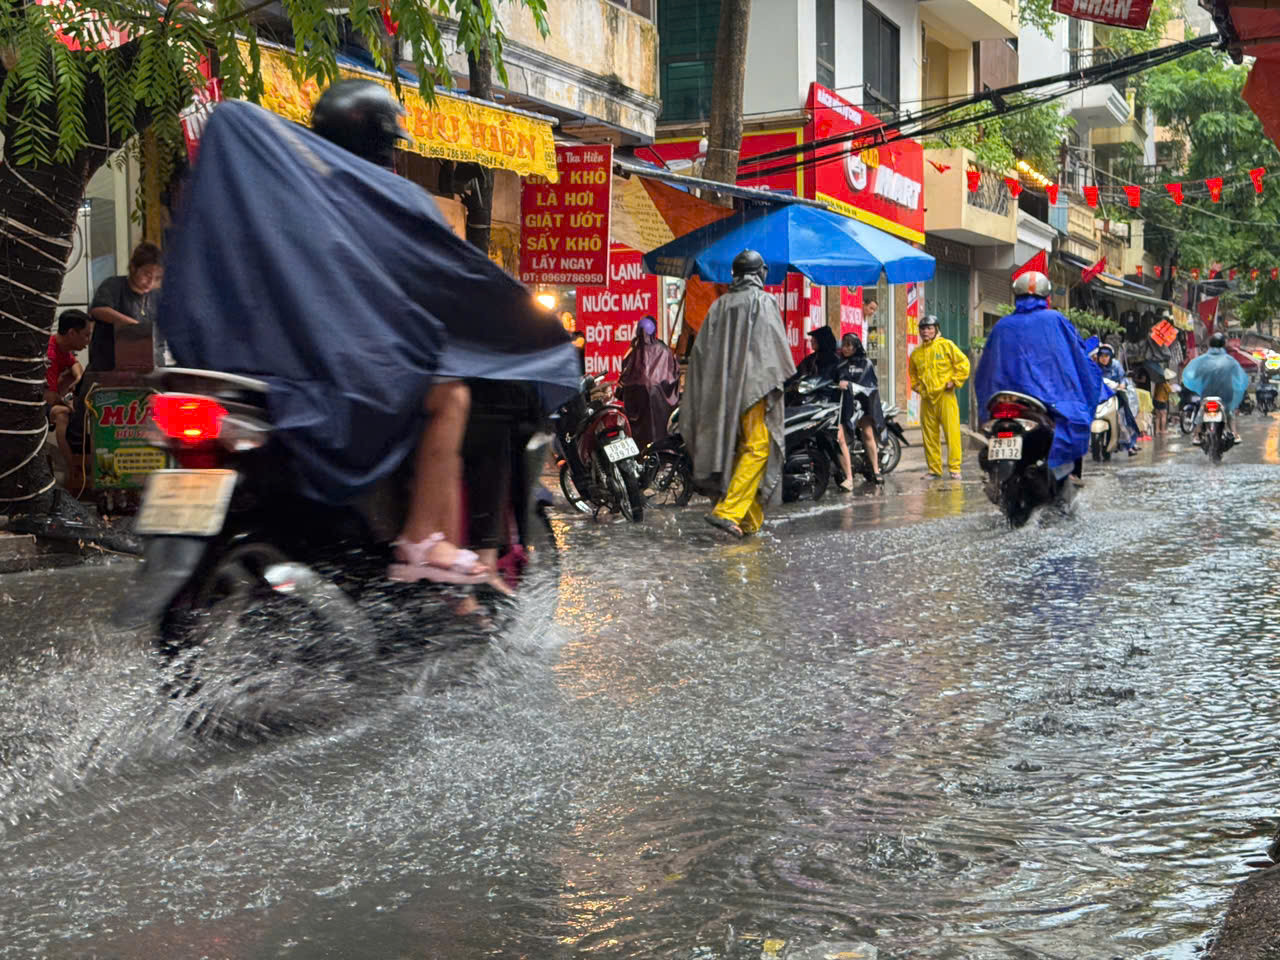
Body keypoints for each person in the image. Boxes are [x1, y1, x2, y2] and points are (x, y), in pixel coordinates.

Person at [156, 81, 580, 589]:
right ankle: (425, 541)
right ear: (385, 144)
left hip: (257, 371)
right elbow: (451, 280)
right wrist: (515, 317)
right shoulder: (395, 200)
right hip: (345, 374)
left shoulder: (276, 192)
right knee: (455, 395)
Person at [684, 249, 795, 538]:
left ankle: (748, 521)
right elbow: (771, 354)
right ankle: (728, 511)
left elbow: (701, 354)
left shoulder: (719, 306)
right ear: (760, 273)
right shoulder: (764, 301)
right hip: (752, 390)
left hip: (721, 392)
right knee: (758, 448)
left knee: (737, 450)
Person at [974, 271, 1101, 486]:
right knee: (1075, 419)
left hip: (1004, 399)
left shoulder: (1002, 325)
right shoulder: (1055, 320)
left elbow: (985, 370)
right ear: (1047, 297)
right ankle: (1067, 473)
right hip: (1048, 398)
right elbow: (1077, 359)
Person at [908, 314, 970, 479]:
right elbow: (912, 375)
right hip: (927, 398)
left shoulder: (946, 345)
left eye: (929, 328)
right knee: (929, 436)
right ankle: (934, 470)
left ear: (936, 329)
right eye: (922, 329)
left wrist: (954, 381)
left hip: (945, 396)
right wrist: (919, 388)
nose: (925, 332)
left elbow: (963, 364)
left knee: (952, 434)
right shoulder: (916, 353)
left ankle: (955, 468)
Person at [88, 242, 162, 374]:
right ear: (133, 267)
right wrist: (136, 327)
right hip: (108, 367)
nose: (151, 282)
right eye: (147, 274)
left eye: (157, 278)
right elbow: (98, 310)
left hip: (144, 368)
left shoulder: (155, 296)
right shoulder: (114, 285)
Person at [617, 314, 680, 449]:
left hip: (638, 410)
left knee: (640, 442)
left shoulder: (633, 352)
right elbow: (674, 375)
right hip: (661, 406)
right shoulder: (664, 350)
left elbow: (624, 377)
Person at [44, 309, 92, 474]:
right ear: (72, 333)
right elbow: (49, 398)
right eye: (86, 335)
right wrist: (67, 404)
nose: (88, 341)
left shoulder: (61, 347)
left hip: (50, 394)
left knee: (72, 375)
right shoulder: (50, 354)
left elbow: (75, 364)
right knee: (63, 413)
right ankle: (73, 469)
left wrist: (78, 378)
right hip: (33, 403)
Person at [836, 332, 886, 486]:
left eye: (849, 345)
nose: (845, 348)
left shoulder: (866, 364)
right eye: (843, 345)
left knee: (868, 434)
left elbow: (870, 387)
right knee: (840, 438)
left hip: (862, 406)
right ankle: (849, 478)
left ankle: (876, 470)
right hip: (844, 407)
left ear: (856, 346)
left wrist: (850, 385)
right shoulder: (839, 364)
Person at [1183, 332, 1249, 442]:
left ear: (1210, 344)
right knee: (1229, 412)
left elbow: (1195, 375)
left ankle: (1196, 435)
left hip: (1207, 393)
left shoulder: (1202, 361)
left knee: (1202, 410)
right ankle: (1235, 434)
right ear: (1223, 344)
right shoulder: (1230, 361)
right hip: (1226, 395)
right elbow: (1239, 378)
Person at [1093, 343, 1140, 457]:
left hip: (1115, 396)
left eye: (1106, 356)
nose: (1104, 358)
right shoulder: (1094, 367)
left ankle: (1128, 445)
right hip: (1099, 398)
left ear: (1110, 356)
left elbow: (1122, 378)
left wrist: (1122, 385)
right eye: (1101, 356)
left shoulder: (1116, 365)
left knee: (1120, 419)